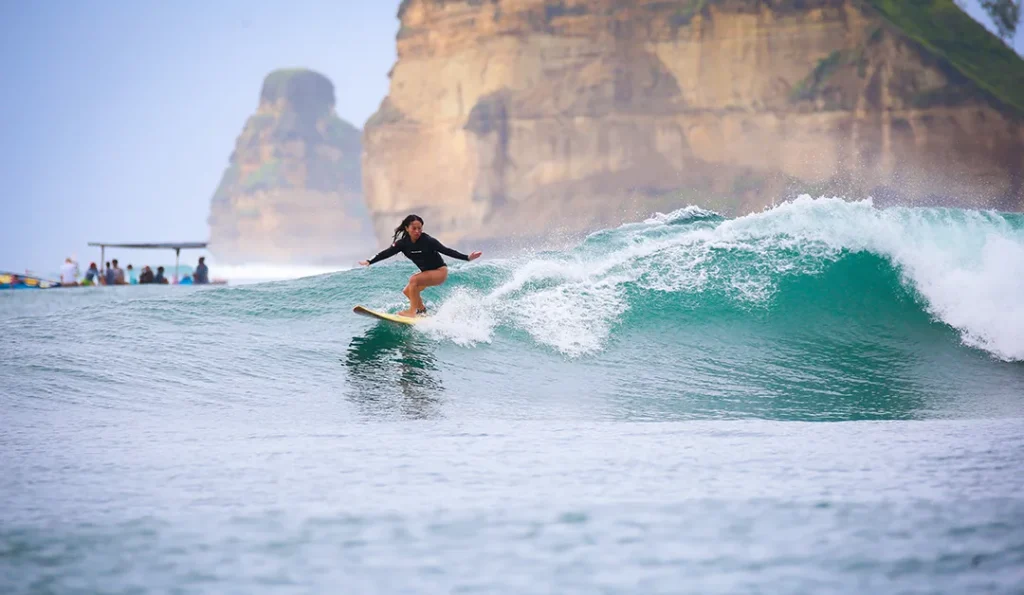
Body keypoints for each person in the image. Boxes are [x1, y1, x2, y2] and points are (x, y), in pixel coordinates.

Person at [360, 214, 482, 317]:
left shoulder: (428, 240)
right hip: (427, 274)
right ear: (407, 228)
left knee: (413, 280)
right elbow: (386, 253)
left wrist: (467, 258)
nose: (417, 231)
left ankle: (413, 312)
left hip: (439, 272)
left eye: (420, 228)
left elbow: (447, 251)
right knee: (408, 291)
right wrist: (370, 261)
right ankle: (422, 311)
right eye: (414, 228)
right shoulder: (402, 244)